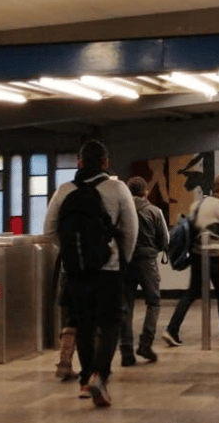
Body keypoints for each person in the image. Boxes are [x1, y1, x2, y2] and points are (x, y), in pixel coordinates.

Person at [43, 140, 137, 408]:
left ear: (80, 163)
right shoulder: (118, 188)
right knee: (110, 323)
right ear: (106, 163)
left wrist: (72, 254)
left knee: (83, 323)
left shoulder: (64, 190)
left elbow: (49, 230)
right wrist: (122, 260)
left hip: (76, 270)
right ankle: (99, 375)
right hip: (109, 268)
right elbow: (131, 230)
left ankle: (85, 379)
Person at [162, 174, 219, 346]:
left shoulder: (198, 204)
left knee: (191, 293)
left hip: (197, 255)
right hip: (215, 257)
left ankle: (171, 329)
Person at [119, 176, 167, 366]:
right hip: (147, 261)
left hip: (126, 261)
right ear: (145, 192)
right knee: (154, 302)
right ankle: (145, 343)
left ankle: (126, 351)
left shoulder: (121, 212)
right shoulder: (154, 211)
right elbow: (164, 240)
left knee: (126, 305)